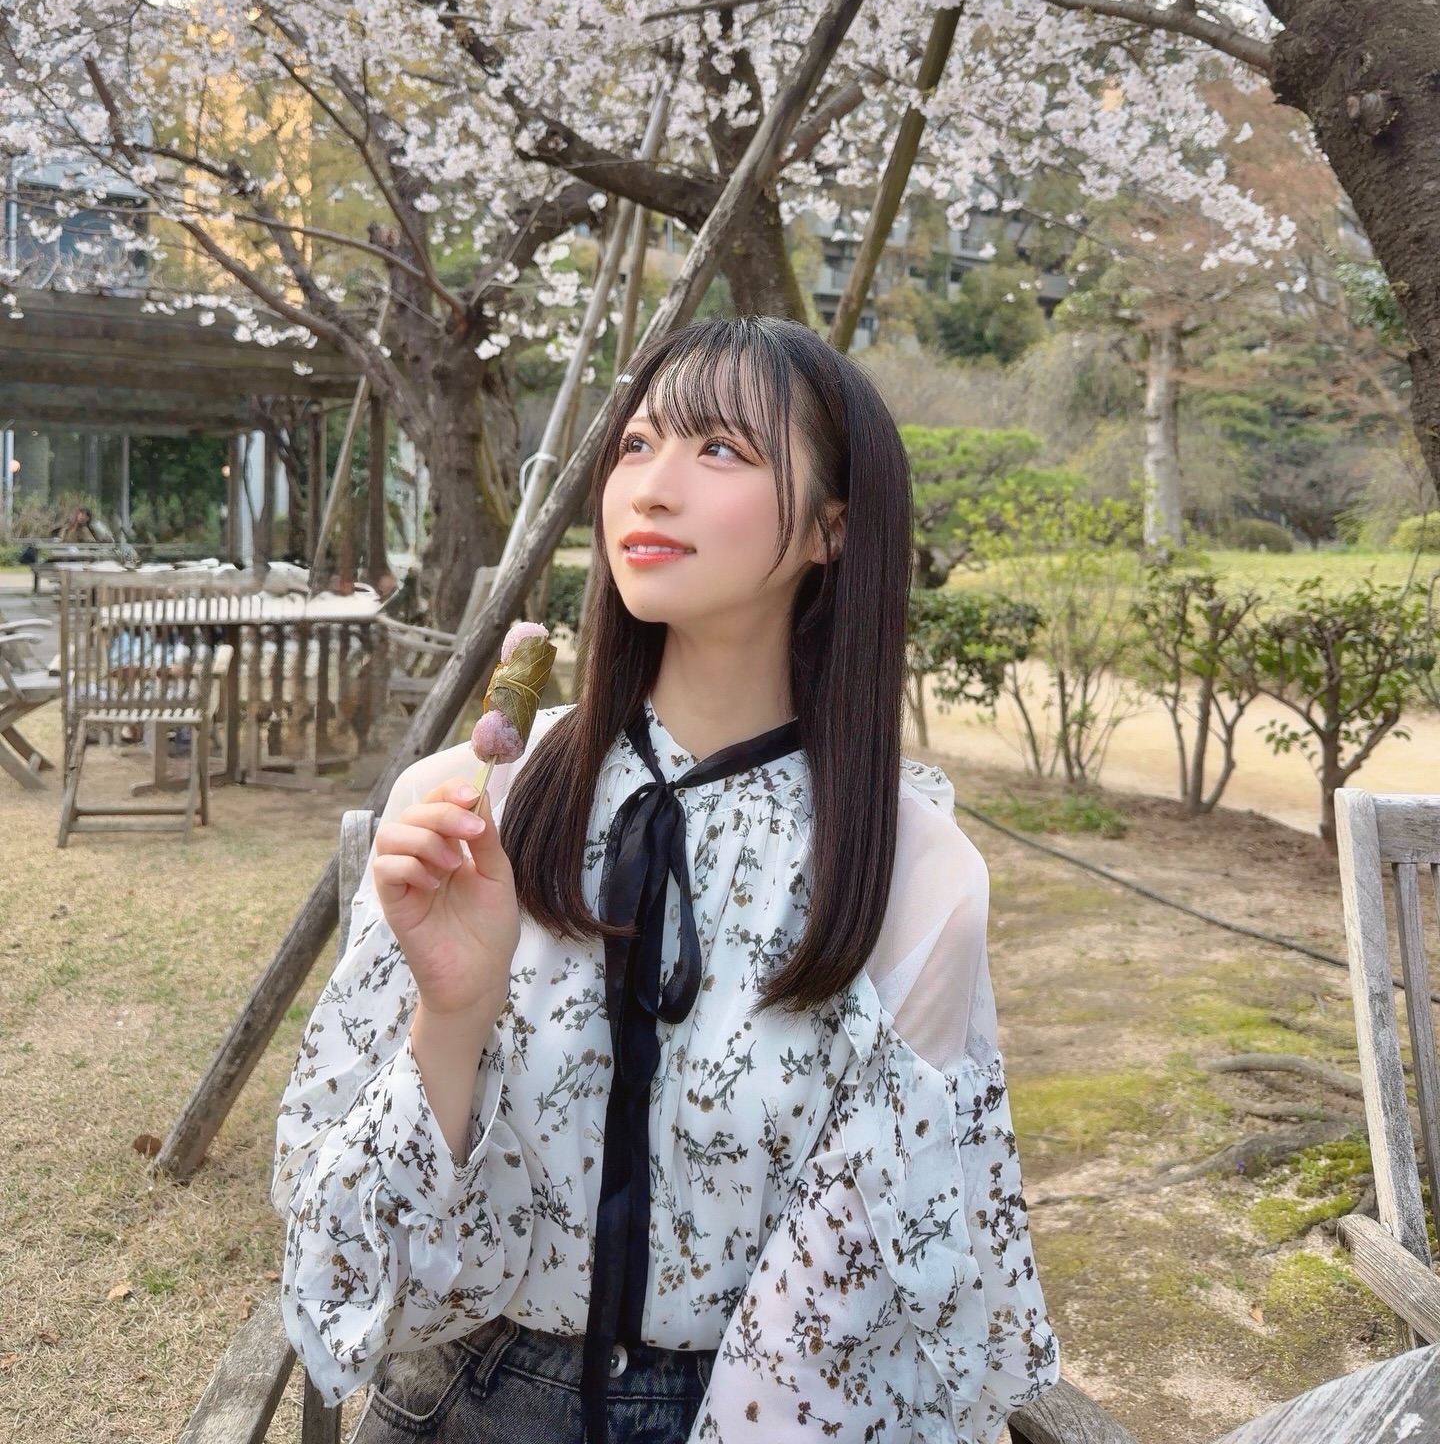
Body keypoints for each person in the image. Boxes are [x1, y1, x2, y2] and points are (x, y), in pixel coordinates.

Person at [273, 317, 1058, 1444]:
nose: (650, 486)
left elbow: (859, 1292)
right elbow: (344, 1255)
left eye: (720, 449)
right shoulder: (473, 803)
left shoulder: (915, 870)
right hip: (465, 1397)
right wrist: (452, 1013)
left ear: (832, 528)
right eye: (636, 444)